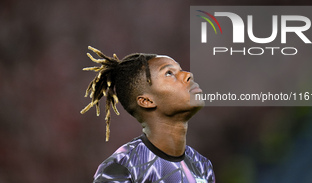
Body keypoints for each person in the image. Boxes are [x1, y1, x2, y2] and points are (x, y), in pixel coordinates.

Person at [81, 46, 215, 183]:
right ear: (146, 101)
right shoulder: (122, 167)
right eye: (169, 73)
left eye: (180, 70)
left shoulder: (202, 165)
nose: (188, 75)